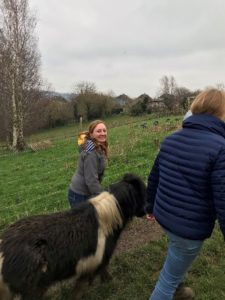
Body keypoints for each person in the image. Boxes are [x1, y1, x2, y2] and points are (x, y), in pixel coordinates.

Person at [145, 88, 225, 300]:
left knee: (176, 254)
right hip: (188, 229)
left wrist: (149, 207)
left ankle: (179, 289)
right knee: (166, 281)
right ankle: (173, 287)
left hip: (166, 217)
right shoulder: (220, 147)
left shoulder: (171, 139)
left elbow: (154, 177)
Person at [68, 120, 108, 208]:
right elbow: (91, 180)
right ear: (91, 134)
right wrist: (102, 197)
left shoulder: (98, 145)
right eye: (98, 131)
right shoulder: (91, 153)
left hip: (85, 192)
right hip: (80, 195)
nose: (102, 133)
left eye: (104, 130)